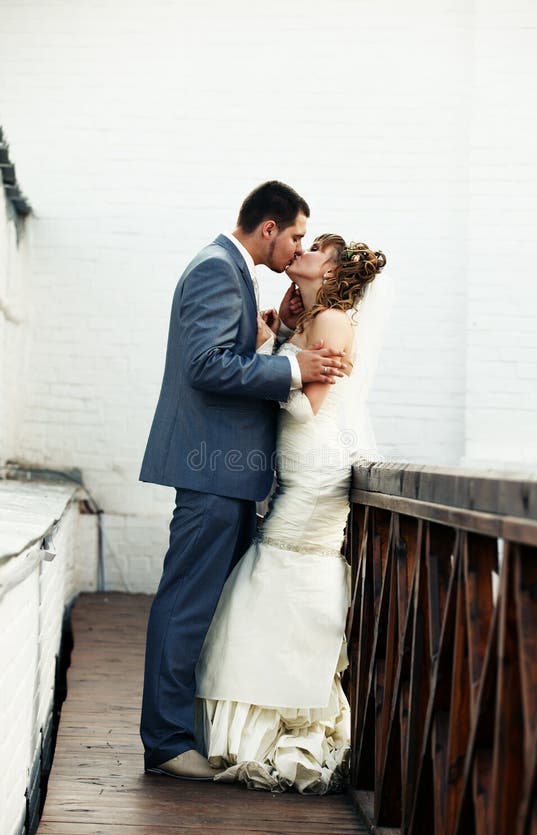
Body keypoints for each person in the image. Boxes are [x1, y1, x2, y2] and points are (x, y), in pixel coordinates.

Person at [139, 182, 347, 780]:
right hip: (212, 469)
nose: (298, 247)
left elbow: (227, 357)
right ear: (268, 229)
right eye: (297, 236)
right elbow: (204, 366)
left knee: (197, 606)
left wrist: (272, 340)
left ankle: (178, 734)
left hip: (226, 472)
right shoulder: (215, 270)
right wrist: (291, 366)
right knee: (185, 604)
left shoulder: (234, 271)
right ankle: (167, 743)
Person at [194, 234, 387, 793]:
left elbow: (305, 408)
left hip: (314, 476)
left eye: (314, 249)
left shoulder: (331, 322)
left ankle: (280, 716)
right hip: (296, 470)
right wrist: (278, 341)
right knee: (268, 577)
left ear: (330, 271)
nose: (300, 253)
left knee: (278, 574)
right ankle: (266, 709)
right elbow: (295, 375)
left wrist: (264, 359)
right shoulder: (310, 320)